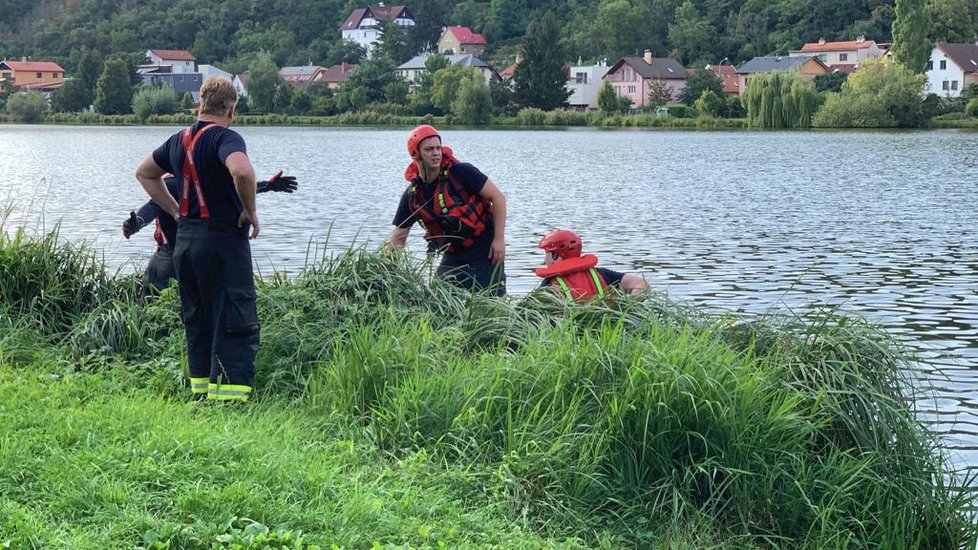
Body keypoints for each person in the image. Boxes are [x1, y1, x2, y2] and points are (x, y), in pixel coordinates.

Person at [133, 76, 260, 403]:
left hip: (186, 244)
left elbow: (145, 173)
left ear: (200, 105)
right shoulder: (224, 137)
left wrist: (176, 212)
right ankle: (229, 402)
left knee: (198, 320)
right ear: (230, 110)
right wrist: (251, 211)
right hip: (222, 243)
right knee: (233, 317)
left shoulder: (179, 140)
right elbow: (242, 172)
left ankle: (201, 396)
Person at [123, 171, 297, 297]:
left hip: (171, 259)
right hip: (195, 256)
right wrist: (137, 221)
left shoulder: (184, 181)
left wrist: (269, 186)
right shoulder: (182, 182)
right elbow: (152, 207)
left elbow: (237, 187)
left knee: (154, 307)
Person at [385, 125, 508, 295]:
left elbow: (499, 199)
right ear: (416, 154)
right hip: (454, 256)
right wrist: (382, 268)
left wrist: (499, 239)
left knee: (493, 307)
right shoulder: (413, 196)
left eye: (438, 148)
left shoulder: (462, 172)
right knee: (437, 302)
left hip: (485, 251)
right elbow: (397, 239)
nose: (436, 153)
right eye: (429, 149)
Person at [535, 229, 649, 301]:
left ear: (556, 255)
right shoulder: (601, 274)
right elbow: (642, 284)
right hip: (606, 331)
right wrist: (626, 310)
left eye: (547, 254)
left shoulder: (550, 285)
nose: (545, 259)